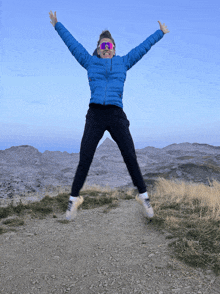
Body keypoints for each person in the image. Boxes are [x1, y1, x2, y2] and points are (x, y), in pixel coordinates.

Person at [49, 11, 170, 221]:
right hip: (95, 114)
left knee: (129, 155)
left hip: (116, 114)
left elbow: (142, 49)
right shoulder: (89, 61)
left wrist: (159, 33)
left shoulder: (123, 62)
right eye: (102, 46)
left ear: (114, 49)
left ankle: (144, 197)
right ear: (98, 49)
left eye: (109, 46)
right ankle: (73, 200)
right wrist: (57, 25)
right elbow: (73, 44)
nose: (106, 49)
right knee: (85, 157)